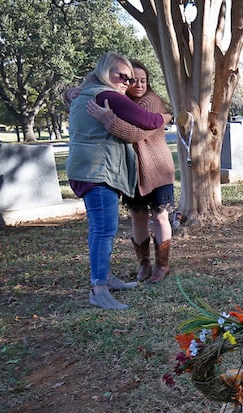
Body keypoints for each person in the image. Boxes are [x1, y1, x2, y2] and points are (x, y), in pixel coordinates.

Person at [66, 52, 168, 310]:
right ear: (104, 72)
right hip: (98, 173)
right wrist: (168, 118)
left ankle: (106, 277)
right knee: (103, 231)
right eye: (121, 76)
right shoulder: (106, 95)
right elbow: (148, 121)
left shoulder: (87, 92)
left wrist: (70, 93)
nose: (127, 81)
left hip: (86, 170)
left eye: (130, 77)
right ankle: (99, 289)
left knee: (98, 230)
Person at [87, 60, 176, 284]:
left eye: (143, 80)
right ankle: (144, 263)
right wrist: (72, 92)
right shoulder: (120, 101)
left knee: (160, 216)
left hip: (157, 169)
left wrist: (108, 120)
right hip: (131, 171)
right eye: (133, 80)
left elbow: (136, 133)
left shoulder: (150, 102)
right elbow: (84, 93)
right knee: (137, 217)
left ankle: (162, 265)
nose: (138, 84)